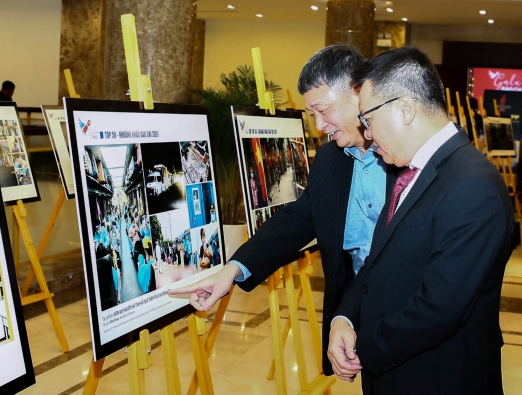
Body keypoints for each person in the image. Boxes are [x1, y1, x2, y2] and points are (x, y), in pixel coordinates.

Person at [168, 44, 398, 376]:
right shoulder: (332, 159)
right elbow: (298, 219)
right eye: (311, 115)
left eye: (322, 109)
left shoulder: (407, 159)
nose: (319, 126)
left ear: (358, 91)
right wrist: (231, 270)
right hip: (360, 317)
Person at [327, 46, 514, 394]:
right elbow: (376, 263)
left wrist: (362, 347)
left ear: (406, 109)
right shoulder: (408, 170)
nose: (367, 134)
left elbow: (440, 307)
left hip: (438, 377)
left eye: (368, 119)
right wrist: (344, 317)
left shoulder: (472, 185)